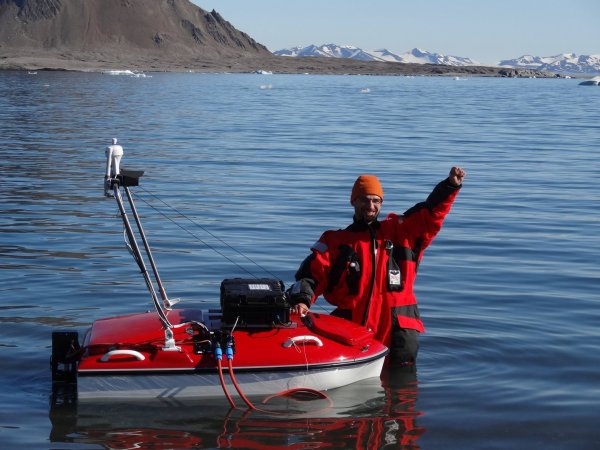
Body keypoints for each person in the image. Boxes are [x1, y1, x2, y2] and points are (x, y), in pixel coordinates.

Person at [289, 167, 466, 365]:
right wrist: (302, 300)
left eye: (376, 200)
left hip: (399, 330)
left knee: (401, 391)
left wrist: (450, 186)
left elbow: (431, 213)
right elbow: (311, 275)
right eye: (364, 199)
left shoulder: (402, 231)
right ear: (353, 201)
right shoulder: (335, 241)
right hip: (352, 328)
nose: (370, 205)